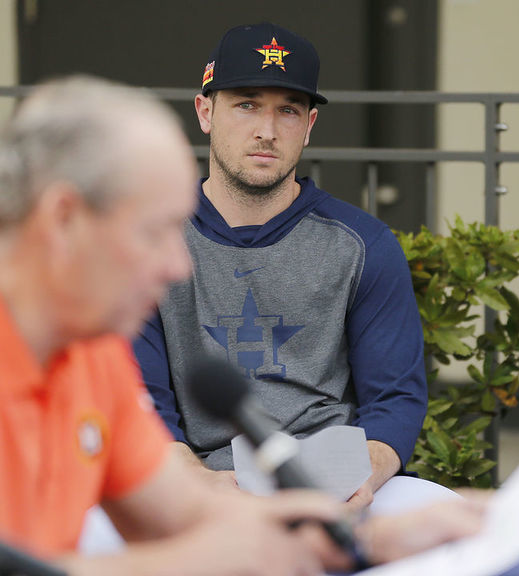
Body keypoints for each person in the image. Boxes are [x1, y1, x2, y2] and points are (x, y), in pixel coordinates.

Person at [0, 75, 485, 576]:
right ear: (63, 219)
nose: (178, 265)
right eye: (154, 231)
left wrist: (374, 541)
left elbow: (183, 514)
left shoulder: (90, 355)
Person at [134, 22, 450, 510]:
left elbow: (395, 401)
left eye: (288, 110)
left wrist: (363, 476)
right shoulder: (148, 242)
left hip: (334, 478)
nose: (267, 130)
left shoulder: (363, 243)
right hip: (198, 481)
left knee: (446, 526)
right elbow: (142, 404)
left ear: (309, 125)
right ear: (205, 111)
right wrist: (198, 485)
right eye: (247, 104)